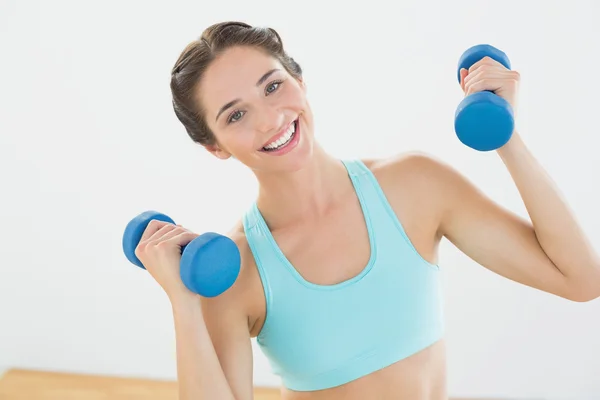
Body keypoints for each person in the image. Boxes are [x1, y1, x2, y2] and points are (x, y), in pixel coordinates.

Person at [134, 21, 600, 400]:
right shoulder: (238, 269)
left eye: (273, 86)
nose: (270, 118)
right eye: (235, 115)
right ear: (215, 146)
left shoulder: (415, 186)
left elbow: (580, 279)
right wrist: (184, 303)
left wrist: (505, 136)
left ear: (300, 80)